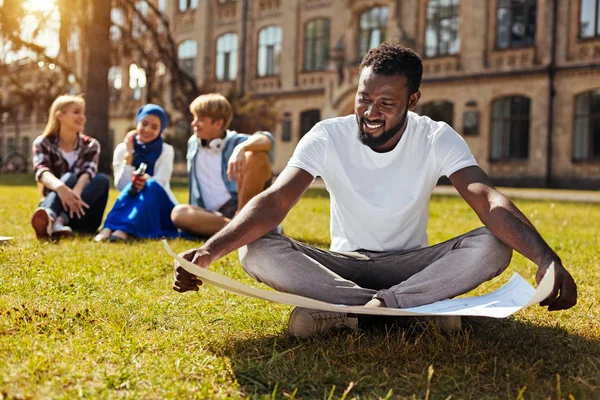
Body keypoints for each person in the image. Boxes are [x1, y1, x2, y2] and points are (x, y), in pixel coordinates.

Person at [172, 43, 577, 338]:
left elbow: (486, 198)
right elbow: (275, 200)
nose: (369, 112)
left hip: (411, 264)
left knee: (493, 245)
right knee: (256, 248)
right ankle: (412, 308)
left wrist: (544, 257)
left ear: (412, 100)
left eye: (386, 102)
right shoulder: (327, 135)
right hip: (341, 265)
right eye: (364, 98)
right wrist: (209, 252)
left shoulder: (436, 136)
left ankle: (359, 312)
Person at [170, 93, 274, 237]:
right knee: (178, 213)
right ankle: (241, 229)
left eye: (200, 119)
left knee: (257, 156)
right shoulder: (193, 143)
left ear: (218, 123)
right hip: (212, 216)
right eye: (194, 118)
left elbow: (267, 140)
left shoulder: (236, 141)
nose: (194, 123)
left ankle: (243, 221)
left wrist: (241, 149)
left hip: (240, 207)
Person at [94, 104, 179, 242]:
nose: (147, 130)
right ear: (137, 122)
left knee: (150, 185)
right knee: (131, 188)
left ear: (161, 129)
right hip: (132, 199)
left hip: (159, 204)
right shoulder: (123, 149)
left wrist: (141, 181)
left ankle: (122, 229)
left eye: (154, 127)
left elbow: (160, 182)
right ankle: (110, 228)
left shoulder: (166, 150)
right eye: (144, 123)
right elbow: (121, 186)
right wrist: (129, 157)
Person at [31, 95, 110, 239]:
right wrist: (61, 188)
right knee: (69, 177)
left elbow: (88, 172)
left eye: (83, 113)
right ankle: (51, 219)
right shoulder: (42, 143)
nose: (82, 117)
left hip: (81, 212)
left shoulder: (91, 145)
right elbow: (42, 171)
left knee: (102, 180)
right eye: (76, 112)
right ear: (60, 115)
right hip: (55, 203)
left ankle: (54, 220)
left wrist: (75, 194)